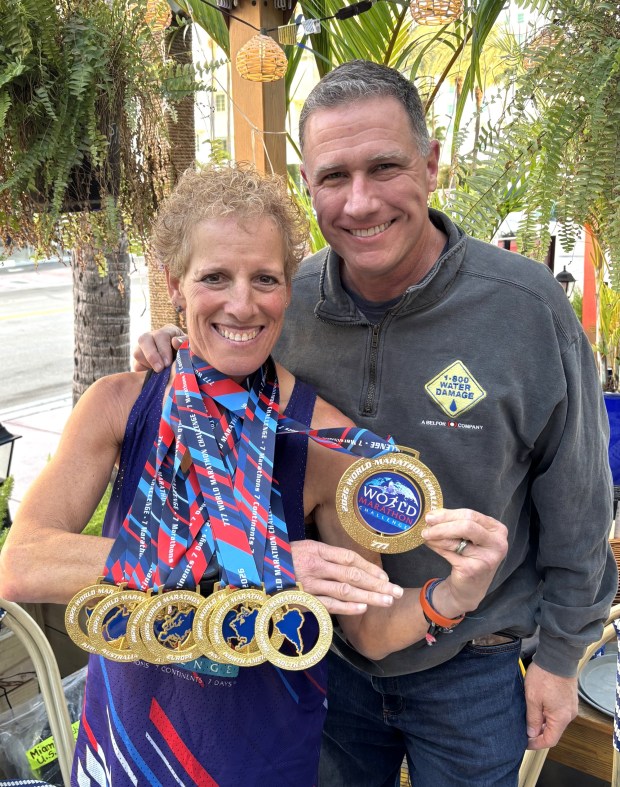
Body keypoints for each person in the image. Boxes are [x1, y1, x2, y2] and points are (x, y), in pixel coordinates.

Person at [134, 61, 617, 786]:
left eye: (384, 166)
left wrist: (558, 658)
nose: (359, 202)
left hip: (472, 661)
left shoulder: (526, 310)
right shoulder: (275, 304)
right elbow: (218, 382)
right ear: (308, 186)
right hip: (316, 650)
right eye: (333, 176)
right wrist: (179, 346)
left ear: (430, 165)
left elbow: (579, 505)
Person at [0, 162, 508, 787]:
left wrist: (453, 596)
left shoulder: (326, 442)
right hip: (124, 755)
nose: (241, 304)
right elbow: (22, 564)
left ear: (288, 289)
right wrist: (254, 560)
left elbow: (372, 631)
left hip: (263, 764)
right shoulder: (121, 405)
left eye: (264, 278)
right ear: (174, 283)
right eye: (214, 277)